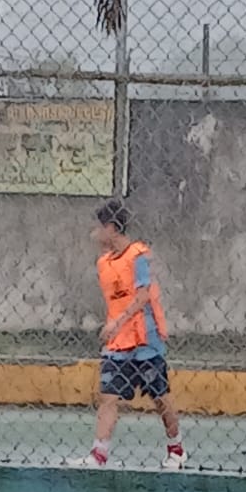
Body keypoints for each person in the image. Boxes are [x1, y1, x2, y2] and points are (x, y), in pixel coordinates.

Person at [74, 199, 186, 469]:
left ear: (111, 228)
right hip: (118, 343)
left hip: (144, 339)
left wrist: (118, 322)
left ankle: (177, 449)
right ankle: (99, 454)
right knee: (109, 397)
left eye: (98, 228)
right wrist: (115, 326)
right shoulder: (104, 263)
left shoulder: (138, 256)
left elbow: (143, 295)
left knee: (160, 398)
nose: (94, 234)